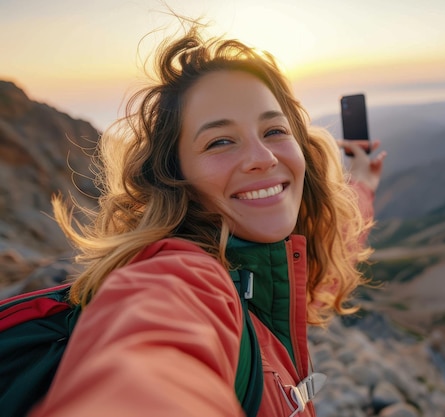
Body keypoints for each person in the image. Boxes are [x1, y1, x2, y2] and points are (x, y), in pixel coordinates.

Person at [28, 21, 385, 417]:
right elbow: (146, 362)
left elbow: (328, 252)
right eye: (220, 141)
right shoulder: (180, 277)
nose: (263, 158)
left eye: (273, 130)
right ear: (175, 175)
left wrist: (364, 185)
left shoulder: (267, 269)